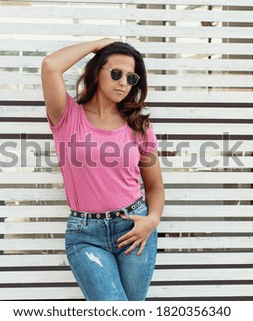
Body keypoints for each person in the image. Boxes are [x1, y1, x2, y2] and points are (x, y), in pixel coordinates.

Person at [41, 38, 164, 301]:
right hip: (85, 235)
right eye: (116, 73)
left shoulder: (138, 126)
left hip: (134, 229)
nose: (123, 83)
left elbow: (154, 186)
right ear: (97, 72)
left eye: (131, 78)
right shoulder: (67, 115)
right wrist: (98, 44)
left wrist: (151, 221)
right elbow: (51, 65)